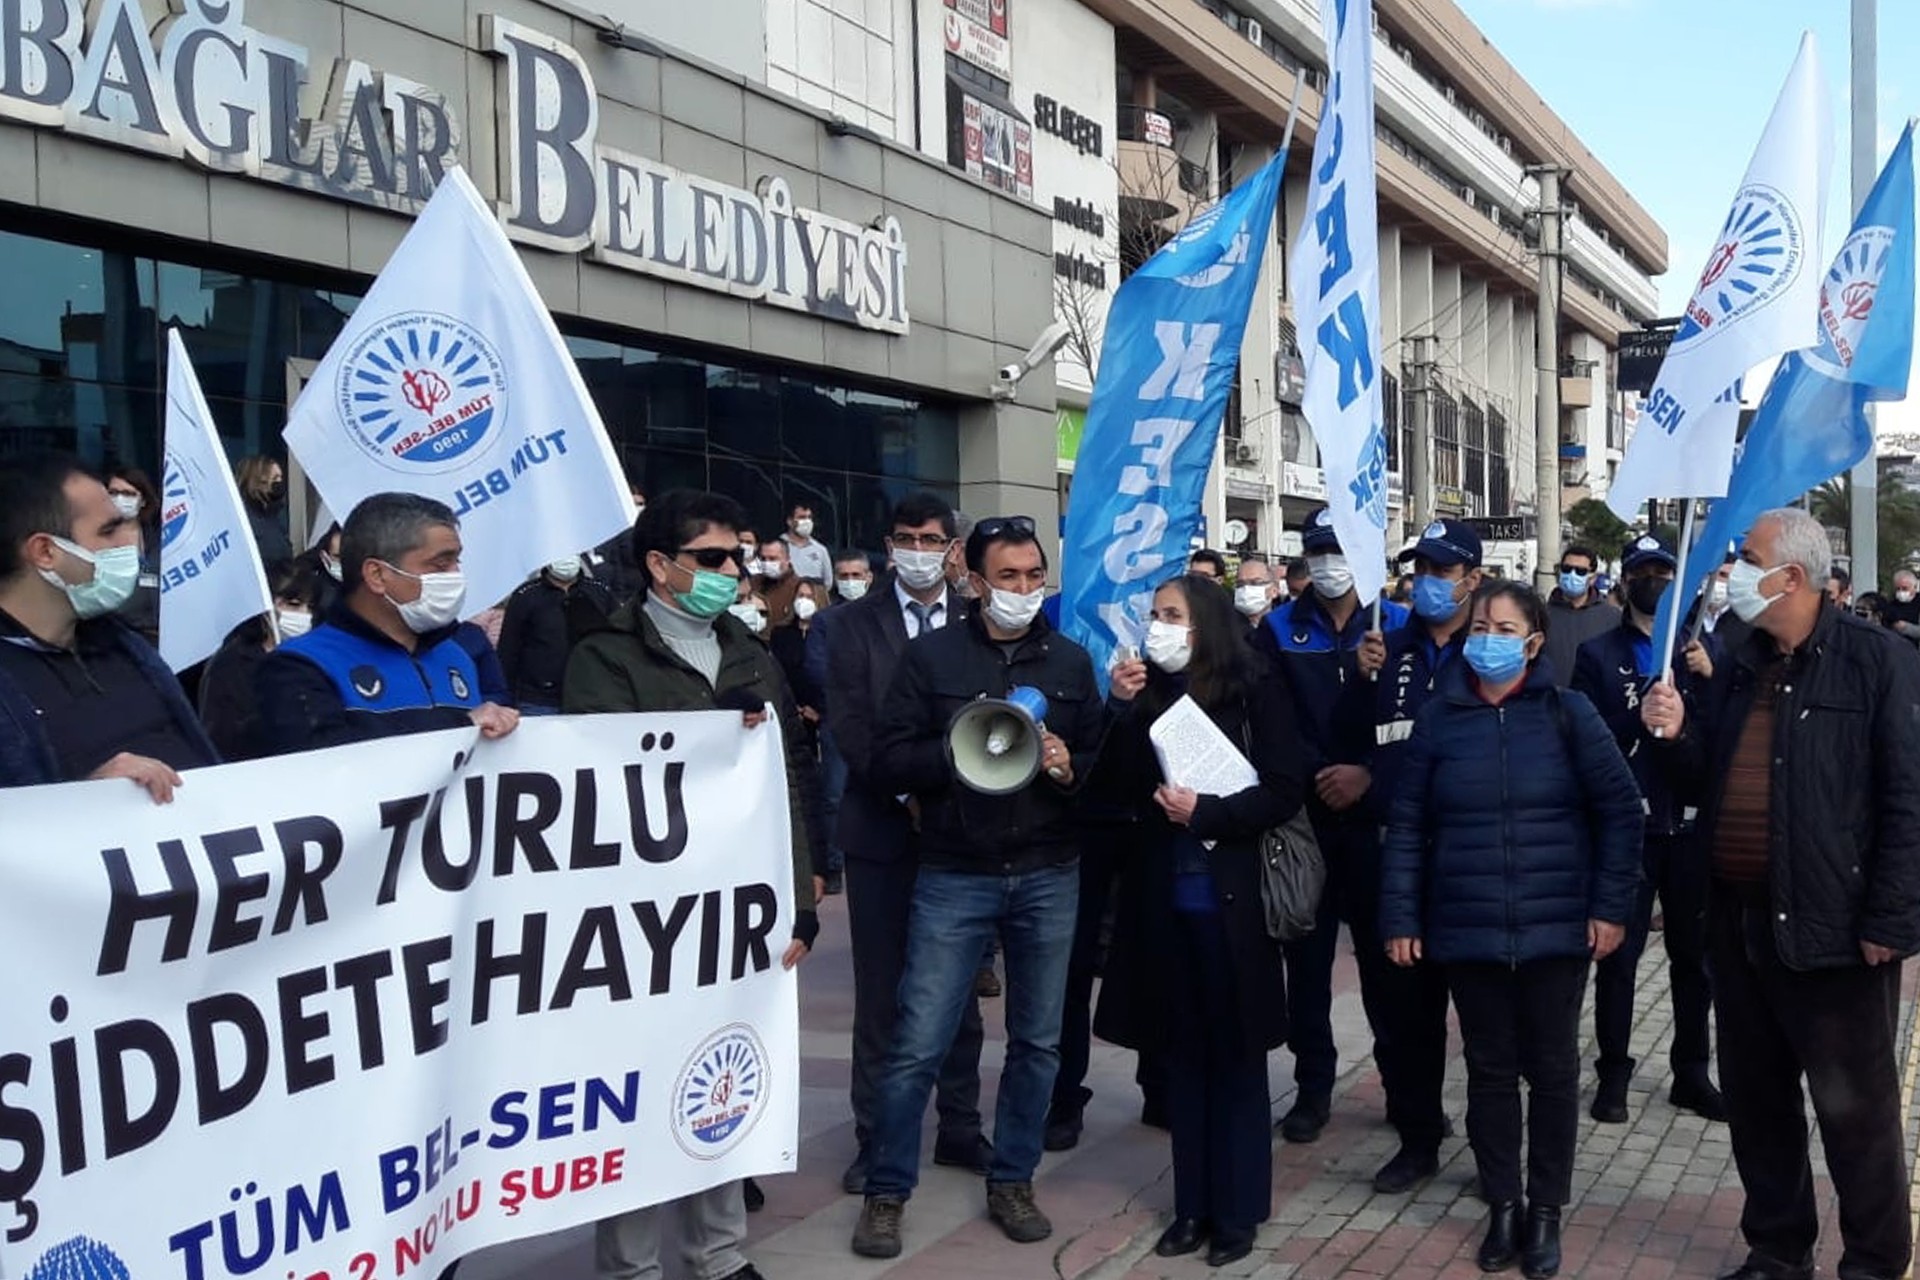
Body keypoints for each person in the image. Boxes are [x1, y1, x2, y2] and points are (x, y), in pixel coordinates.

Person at [1641, 507, 1920, 1280]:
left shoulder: (1877, 662)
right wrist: (1672, 738)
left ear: (1791, 576)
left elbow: (1908, 798)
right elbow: (1710, 777)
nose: (1733, 572)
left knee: (1854, 1115)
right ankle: (1777, 1247)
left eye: (1747, 557)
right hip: (1738, 924)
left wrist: (1891, 920)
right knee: (1760, 1104)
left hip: (1835, 933)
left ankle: (1873, 1260)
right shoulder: (1741, 659)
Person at [565, 489, 818, 1280]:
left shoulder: (750, 653)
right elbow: (602, 783)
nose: (729, 572)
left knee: (723, 1077)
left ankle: (717, 1256)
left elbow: (789, 780)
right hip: (643, 921)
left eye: (734, 559)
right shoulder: (605, 658)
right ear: (658, 566)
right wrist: (711, 739)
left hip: (736, 912)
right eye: (710, 560)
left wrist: (802, 895)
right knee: (636, 1092)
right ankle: (631, 1266)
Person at [853, 515, 1104, 1258]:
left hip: (1047, 870)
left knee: (1038, 1041)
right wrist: (960, 745)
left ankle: (1013, 1177)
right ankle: (886, 1190)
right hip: (955, 871)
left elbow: (1095, 763)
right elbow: (888, 757)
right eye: (1009, 577)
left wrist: (1062, 765)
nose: (1023, 590)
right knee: (918, 1039)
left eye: (1034, 577)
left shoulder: (1068, 662)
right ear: (974, 579)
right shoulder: (931, 660)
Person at [1381, 580, 1641, 1279]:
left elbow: (1620, 813)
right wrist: (1402, 916)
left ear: (1531, 643)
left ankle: (1546, 1208)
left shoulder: (1569, 713)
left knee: (1553, 1072)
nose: (1488, 639)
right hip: (1467, 930)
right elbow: (1407, 825)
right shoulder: (1441, 717)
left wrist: (1610, 908)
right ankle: (1502, 1204)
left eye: (1504, 629)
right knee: (1491, 1074)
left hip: (1558, 928)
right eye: (1481, 625)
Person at [1094, 574, 1308, 1268]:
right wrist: (1119, 709)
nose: (1159, 627)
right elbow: (1112, 793)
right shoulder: (1147, 695)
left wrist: (1209, 815)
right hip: (1165, 909)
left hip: (1234, 908)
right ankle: (1191, 1207)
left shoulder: (1255, 691)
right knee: (1181, 1063)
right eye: (1154, 615)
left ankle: (1239, 1210)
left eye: (1173, 615)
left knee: (1237, 1062)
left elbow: (1283, 790)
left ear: (1206, 625)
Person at [824, 493, 992, 1195]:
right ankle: (878, 1137)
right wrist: (907, 792)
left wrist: (946, 796)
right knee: (883, 992)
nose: (916, 549)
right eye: (904, 537)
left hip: (960, 832)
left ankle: (959, 1125)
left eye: (929, 538)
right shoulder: (848, 625)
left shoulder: (978, 623)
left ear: (953, 548)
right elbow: (851, 725)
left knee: (957, 992)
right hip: (883, 829)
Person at [1253, 507, 1409, 1144]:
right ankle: (1312, 1089)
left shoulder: (1395, 623)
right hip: (1305, 819)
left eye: (1339, 550)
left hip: (1375, 819)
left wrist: (1369, 774)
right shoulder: (1277, 628)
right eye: (1318, 552)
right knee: (1307, 966)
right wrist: (1319, 776)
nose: (1328, 564)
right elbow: (1270, 717)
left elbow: (1415, 718)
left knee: (1386, 969)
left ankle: (1404, 1090)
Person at [1350, 518, 1484, 1193]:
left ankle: (1497, 1156)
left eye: (1441, 571)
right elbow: (1354, 736)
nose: (1427, 582)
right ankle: (1417, 1135)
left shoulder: (1492, 650)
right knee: (1403, 1014)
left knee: (1488, 1022)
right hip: (1395, 860)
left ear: (1472, 580)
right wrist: (1356, 677)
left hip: (1468, 863)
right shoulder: (1385, 648)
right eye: (1420, 569)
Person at [1572, 535, 1725, 1127]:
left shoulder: (1702, 652)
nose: (1655, 582)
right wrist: (1633, 718)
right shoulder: (1599, 653)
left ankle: (1692, 1072)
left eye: (1665, 572)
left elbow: (1724, 740)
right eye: (1645, 572)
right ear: (1626, 579)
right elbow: (1584, 732)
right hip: (1627, 828)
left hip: (1687, 830)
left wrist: (1709, 682)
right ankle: (1613, 1072)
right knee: (1619, 958)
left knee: (1695, 961)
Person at [0, 453, 217, 796]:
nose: (129, 543)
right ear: (45, 551)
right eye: (109, 530)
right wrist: (85, 799)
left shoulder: (127, 648)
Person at [254, 493, 520, 753]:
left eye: (456, 562)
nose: (456, 576)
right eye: (440, 565)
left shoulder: (458, 654)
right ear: (377, 575)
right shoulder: (299, 666)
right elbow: (319, 761)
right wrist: (459, 728)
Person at [198, 563, 321, 761]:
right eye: (294, 605)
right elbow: (220, 738)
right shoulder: (230, 664)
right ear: (266, 607)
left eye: (310, 607)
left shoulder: (317, 656)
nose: (304, 615)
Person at [497, 555, 613, 714]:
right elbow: (508, 651)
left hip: (593, 697)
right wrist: (505, 701)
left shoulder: (599, 591)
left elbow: (617, 641)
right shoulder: (526, 595)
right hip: (539, 700)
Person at [1542, 543, 1619, 686]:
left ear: (1593, 578)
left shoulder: (1612, 617)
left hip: (1595, 704)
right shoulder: (1540, 615)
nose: (1572, 575)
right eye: (1566, 569)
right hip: (1550, 702)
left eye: (1580, 571)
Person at [105, 466, 162, 645]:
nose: (120, 499)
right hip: (112, 637)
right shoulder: (93, 538)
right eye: (113, 492)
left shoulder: (159, 539)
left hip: (155, 635)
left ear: (143, 500)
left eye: (128, 494)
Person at [584, 484, 649, 606]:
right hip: (628, 593)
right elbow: (618, 564)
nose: (640, 508)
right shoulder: (616, 532)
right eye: (635, 504)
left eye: (641, 503)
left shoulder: (653, 528)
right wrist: (620, 598)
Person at [235, 455, 293, 569]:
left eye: (281, 477)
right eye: (275, 478)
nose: (280, 482)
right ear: (259, 481)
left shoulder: (273, 516)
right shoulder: (243, 519)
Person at [785, 501, 833, 584]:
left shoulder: (820, 550)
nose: (807, 521)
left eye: (809, 517)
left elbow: (828, 582)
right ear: (789, 521)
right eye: (802, 517)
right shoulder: (777, 547)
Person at [1232, 557, 1277, 629]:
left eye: (1255, 583)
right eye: (1240, 583)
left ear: (1274, 590)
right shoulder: (1226, 627)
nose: (1246, 588)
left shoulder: (1284, 626)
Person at [1881, 567, 1920, 645]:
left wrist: (1906, 627)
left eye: (1905, 588)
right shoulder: (1891, 605)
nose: (1901, 592)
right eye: (1898, 589)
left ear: (1915, 587)